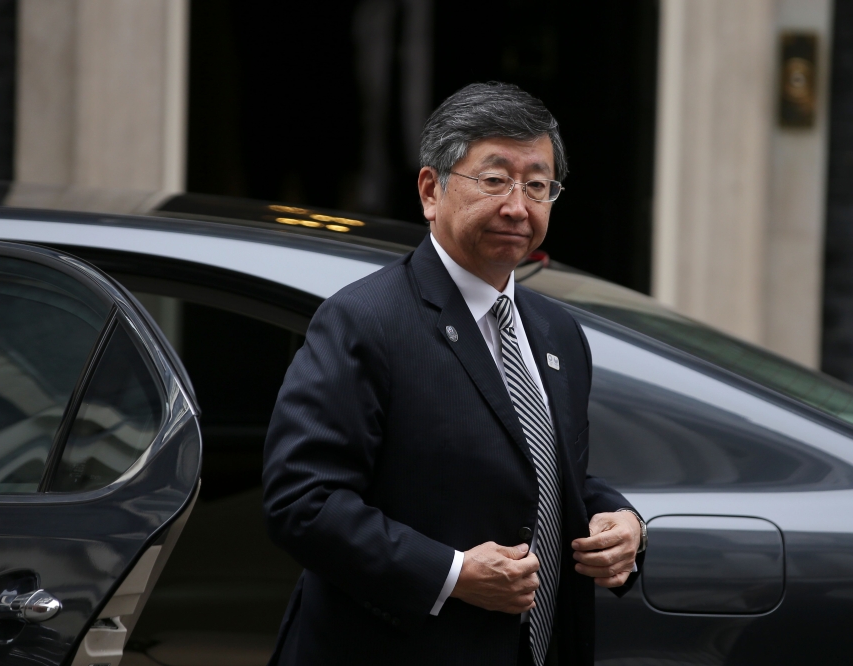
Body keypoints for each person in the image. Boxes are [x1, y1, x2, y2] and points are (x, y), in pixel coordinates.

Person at [262, 81, 646, 666]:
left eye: (538, 186)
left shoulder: (555, 331)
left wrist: (620, 521)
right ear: (429, 190)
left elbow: (545, 475)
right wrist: (453, 573)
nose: (518, 206)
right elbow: (303, 502)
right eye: (494, 180)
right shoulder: (363, 321)